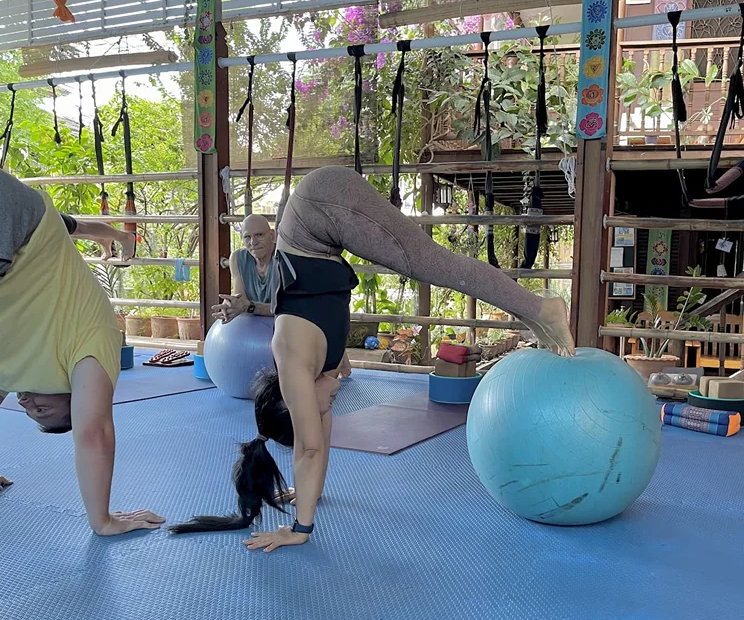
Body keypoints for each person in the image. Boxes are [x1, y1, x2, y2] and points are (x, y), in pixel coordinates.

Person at [172, 166, 574, 551]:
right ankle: (530, 313)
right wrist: (307, 491)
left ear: (294, 399)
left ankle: (543, 309)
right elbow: (314, 445)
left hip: (320, 203)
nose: (330, 407)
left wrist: (300, 530)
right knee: (425, 265)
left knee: (427, 262)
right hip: (322, 229)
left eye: (317, 409)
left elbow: (308, 449)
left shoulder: (292, 357)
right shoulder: (316, 373)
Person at [0, 169, 165, 535]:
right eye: (42, 409)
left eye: (28, 410)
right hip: (17, 219)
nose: (25, 402)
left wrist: (116, 235)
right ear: (72, 396)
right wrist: (102, 520)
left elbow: (72, 226)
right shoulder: (88, 344)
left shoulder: (14, 371)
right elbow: (94, 432)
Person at [212, 213, 351, 377]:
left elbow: (288, 309)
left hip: (294, 320)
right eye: (247, 237)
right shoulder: (237, 258)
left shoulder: (286, 258)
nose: (253, 242)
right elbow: (240, 297)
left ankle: (335, 352)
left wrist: (247, 306)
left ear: (272, 235)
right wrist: (231, 305)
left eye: (259, 235)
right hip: (260, 324)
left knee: (331, 376)